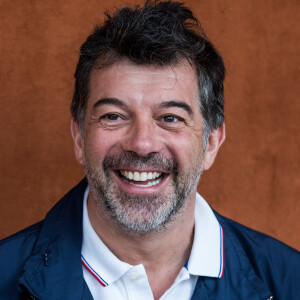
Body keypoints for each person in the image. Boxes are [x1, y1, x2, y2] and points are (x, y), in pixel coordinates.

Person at [0, 1, 299, 299]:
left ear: (211, 143)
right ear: (79, 137)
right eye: (113, 116)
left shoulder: (290, 281)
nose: (142, 144)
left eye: (170, 118)